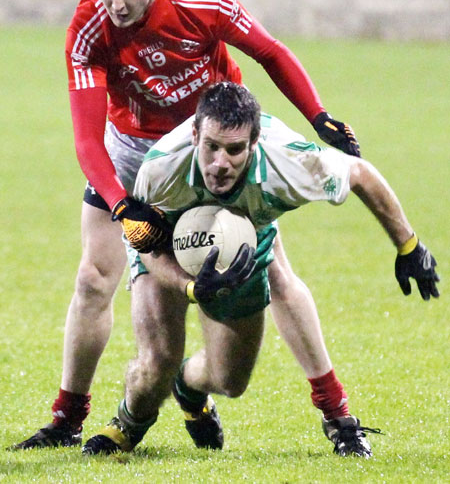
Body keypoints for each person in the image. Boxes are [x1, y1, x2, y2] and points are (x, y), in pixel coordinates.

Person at [10, 0, 391, 454]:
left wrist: (319, 116)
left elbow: (270, 52)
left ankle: (338, 416)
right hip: (137, 156)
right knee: (94, 278)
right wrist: (123, 207)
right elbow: (86, 140)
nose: (114, 4)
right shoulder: (88, 29)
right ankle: (67, 417)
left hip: (212, 152)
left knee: (275, 272)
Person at [80, 82, 439, 458]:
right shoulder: (160, 168)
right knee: (157, 363)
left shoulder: (288, 163)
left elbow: (361, 174)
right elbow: (148, 249)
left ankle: (188, 386)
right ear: (195, 134)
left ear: (255, 144)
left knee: (230, 380)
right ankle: (129, 422)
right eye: (212, 147)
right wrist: (191, 289)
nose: (220, 163)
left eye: (235, 150)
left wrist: (409, 247)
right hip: (167, 241)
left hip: (243, 240)